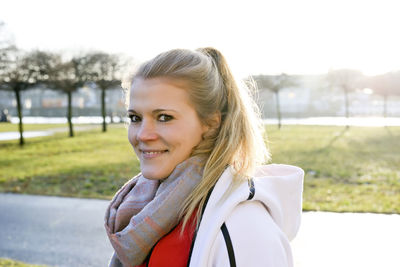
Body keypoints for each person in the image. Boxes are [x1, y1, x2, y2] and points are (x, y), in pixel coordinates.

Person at [104, 47, 304, 267]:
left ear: (210, 123)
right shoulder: (150, 205)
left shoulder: (242, 227)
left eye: (164, 117)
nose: (143, 134)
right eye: (135, 118)